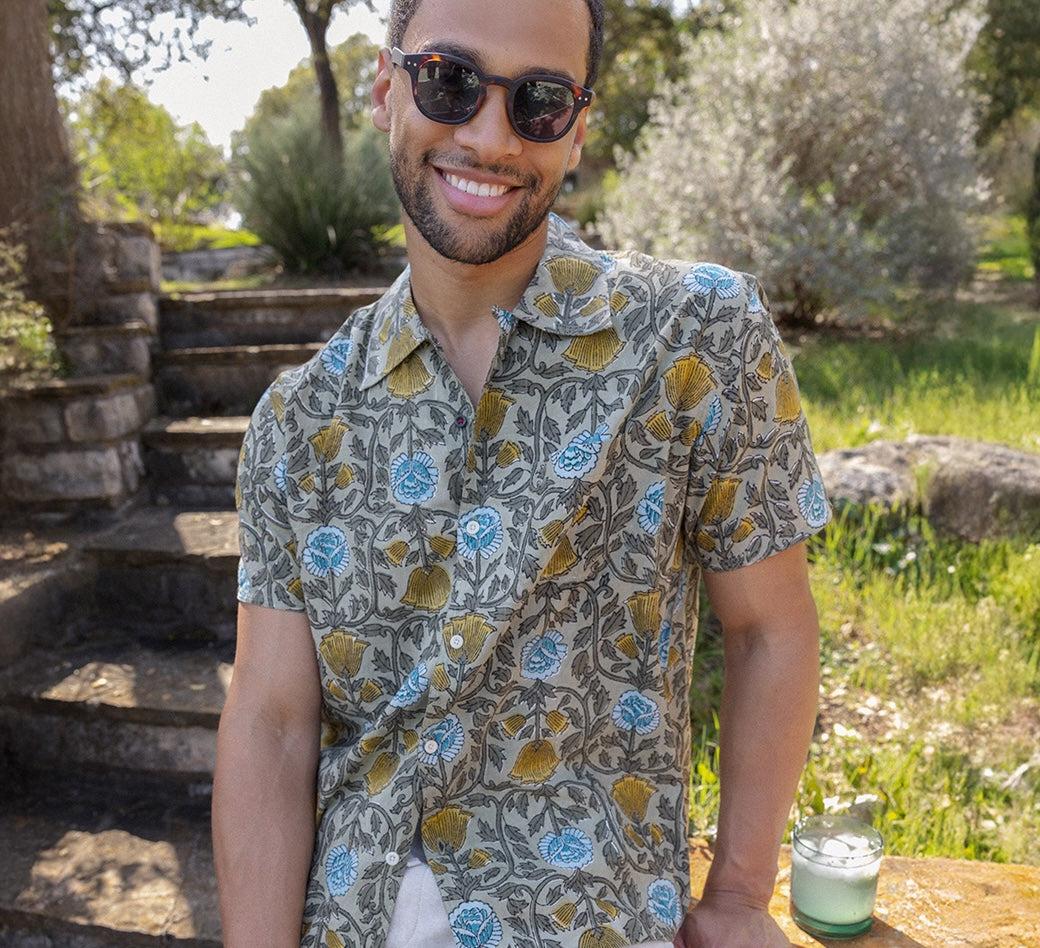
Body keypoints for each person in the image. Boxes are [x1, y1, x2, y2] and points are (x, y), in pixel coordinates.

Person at [212, 0, 832, 945]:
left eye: (538, 102)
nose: (489, 135)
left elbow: (768, 630)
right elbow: (271, 723)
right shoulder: (297, 422)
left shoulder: (700, 338)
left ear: (576, 130)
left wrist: (741, 896)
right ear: (387, 88)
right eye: (449, 81)